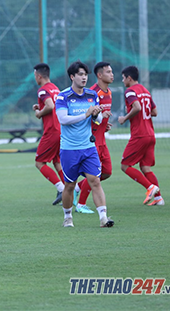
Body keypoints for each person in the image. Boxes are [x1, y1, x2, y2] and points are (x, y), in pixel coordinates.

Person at [55, 61, 114, 228]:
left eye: (85, 75)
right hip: (69, 149)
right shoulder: (63, 96)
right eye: (80, 74)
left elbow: (97, 120)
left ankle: (103, 218)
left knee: (95, 180)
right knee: (70, 185)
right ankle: (67, 217)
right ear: (72, 77)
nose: (84, 78)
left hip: (88, 147)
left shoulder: (92, 95)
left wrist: (97, 116)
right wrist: (85, 114)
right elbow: (63, 120)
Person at [118, 66, 162, 206]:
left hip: (140, 135)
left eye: (123, 78)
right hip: (150, 134)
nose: (123, 80)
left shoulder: (130, 92)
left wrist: (125, 118)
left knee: (125, 166)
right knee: (145, 168)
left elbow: (137, 107)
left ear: (129, 78)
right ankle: (158, 199)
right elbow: (154, 112)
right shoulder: (145, 91)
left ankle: (150, 187)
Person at [74, 62, 114, 214]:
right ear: (99, 75)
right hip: (91, 141)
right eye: (108, 72)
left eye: (112, 71)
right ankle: (80, 205)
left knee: (107, 172)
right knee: (94, 175)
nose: (112, 74)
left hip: (102, 138)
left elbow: (100, 117)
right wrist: (98, 120)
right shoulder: (91, 93)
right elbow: (85, 116)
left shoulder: (109, 92)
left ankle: (78, 187)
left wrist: (104, 124)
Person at [32, 63, 65, 205]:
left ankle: (61, 188)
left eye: (35, 76)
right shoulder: (55, 88)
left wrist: (39, 113)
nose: (35, 79)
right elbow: (53, 105)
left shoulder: (42, 90)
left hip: (51, 131)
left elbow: (50, 106)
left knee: (39, 162)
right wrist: (40, 107)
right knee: (57, 162)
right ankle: (71, 191)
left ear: (39, 76)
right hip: (61, 129)